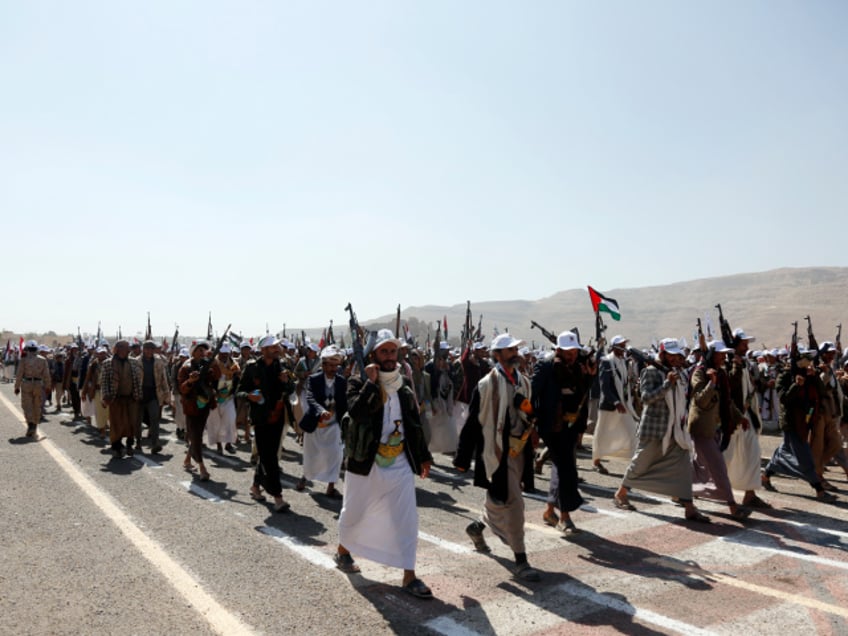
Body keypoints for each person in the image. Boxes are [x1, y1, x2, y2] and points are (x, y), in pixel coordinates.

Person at [335, 329, 434, 599]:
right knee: (355, 512)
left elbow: (413, 423)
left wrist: (423, 455)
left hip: (399, 461)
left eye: (393, 351)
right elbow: (357, 412)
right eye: (384, 351)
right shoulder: (357, 382)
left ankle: (409, 575)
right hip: (365, 461)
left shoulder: (403, 385)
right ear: (373, 355)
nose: (390, 356)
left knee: (406, 518)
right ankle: (344, 549)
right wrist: (370, 382)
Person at [455, 333, 541, 582]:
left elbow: (531, 412)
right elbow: (473, 422)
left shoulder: (524, 381)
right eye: (510, 350)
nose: (515, 353)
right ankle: (521, 559)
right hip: (496, 452)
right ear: (497, 355)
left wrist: (528, 412)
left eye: (516, 349)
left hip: (519, 449)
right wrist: (462, 458)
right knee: (514, 504)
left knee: (499, 498)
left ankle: (477, 527)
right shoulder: (486, 385)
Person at [613, 339, 710, 523]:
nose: (675, 358)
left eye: (677, 355)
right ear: (663, 354)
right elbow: (647, 398)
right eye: (671, 355)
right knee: (640, 464)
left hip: (676, 430)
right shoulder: (651, 372)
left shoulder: (679, 373)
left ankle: (689, 508)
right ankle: (621, 493)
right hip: (655, 430)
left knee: (683, 467)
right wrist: (666, 385)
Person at [531, 331, 594, 534]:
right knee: (566, 468)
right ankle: (565, 517)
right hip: (551, 425)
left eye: (575, 351)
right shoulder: (546, 366)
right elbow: (532, 395)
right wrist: (532, 425)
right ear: (558, 350)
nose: (572, 355)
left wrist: (590, 376)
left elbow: (582, 394)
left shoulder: (578, 368)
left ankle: (550, 511)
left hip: (570, 425)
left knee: (564, 466)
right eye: (568, 351)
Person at [762, 344, 838, 502]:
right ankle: (819, 490)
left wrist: (814, 376)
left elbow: (822, 393)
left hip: (806, 422)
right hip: (791, 423)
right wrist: (797, 385)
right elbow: (783, 398)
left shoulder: (810, 374)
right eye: (806, 359)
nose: (809, 361)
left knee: (783, 451)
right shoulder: (784, 375)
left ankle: (765, 475)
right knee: (805, 456)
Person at [688, 340, 752, 521]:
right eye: (720, 354)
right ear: (711, 354)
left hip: (715, 427)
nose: (724, 357)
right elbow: (701, 400)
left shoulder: (721, 373)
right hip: (702, 427)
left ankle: (683, 492)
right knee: (718, 467)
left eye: (725, 354)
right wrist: (712, 383)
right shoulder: (700, 373)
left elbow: (727, 400)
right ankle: (732, 506)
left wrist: (739, 417)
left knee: (700, 466)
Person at [236, 335, 295, 512]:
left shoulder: (282, 367)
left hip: (277, 417)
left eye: (277, 346)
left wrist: (287, 382)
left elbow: (291, 390)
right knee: (270, 458)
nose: (276, 349)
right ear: (263, 350)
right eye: (272, 347)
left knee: (267, 454)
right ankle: (278, 497)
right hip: (260, 418)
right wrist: (249, 396)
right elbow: (239, 391)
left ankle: (255, 487)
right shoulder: (252, 368)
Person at [726, 328, 772, 508]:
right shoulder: (728, 363)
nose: (746, 347)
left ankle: (749, 494)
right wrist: (735, 365)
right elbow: (730, 385)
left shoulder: (744, 363)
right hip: (733, 417)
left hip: (747, 417)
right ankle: (696, 488)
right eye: (743, 344)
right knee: (724, 457)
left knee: (752, 454)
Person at [296, 345, 347, 498]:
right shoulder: (314, 379)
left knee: (336, 455)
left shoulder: (341, 381)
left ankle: (331, 487)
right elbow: (310, 398)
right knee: (312, 455)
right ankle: (305, 478)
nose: (333, 368)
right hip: (316, 423)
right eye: (330, 365)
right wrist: (321, 411)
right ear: (323, 365)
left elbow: (344, 402)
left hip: (333, 425)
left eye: (335, 365)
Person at [592, 335, 638, 475]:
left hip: (624, 404)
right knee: (602, 434)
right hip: (609, 405)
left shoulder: (624, 362)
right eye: (621, 345)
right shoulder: (606, 362)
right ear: (614, 347)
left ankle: (636, 463)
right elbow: (604, 386)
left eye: (624, 345)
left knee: (632, 430)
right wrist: (616, 402)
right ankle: (596, 461)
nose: (624, 348)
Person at [177, 341, 221, 481]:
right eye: (200, 349)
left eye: (204, 350)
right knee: (196, 436)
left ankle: (187, 460)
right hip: (191, 406)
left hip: (204, 404)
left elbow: (217, 376)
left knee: (197, 434)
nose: (203, 352)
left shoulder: (206, 364)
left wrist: (214, 362)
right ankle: (202, 467)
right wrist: (190, 381)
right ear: (193, 351)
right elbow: (182, 389)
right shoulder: (186, 367)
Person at [100, 339, 143, 458]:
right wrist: (105, 398)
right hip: (115, 399)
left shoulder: (134, 362)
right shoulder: (108, 363)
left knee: (131, 423)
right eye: (125, 347)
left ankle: (130, 444)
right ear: (118, 349)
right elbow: (104, 382)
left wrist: (139, 395)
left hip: (131, 398)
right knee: (116, 424)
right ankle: (117, 445)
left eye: (128, 347)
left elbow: (138, 381)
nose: (128, 350)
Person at [206, 343, 240, 455]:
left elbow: (237, 380)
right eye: (222, 353)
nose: (224, 356)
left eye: (226, 353)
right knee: (216, 421)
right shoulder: (212, 364)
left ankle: (228, 444)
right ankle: (219, 445)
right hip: (215, 397)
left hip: (228, 397)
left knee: (230, 419)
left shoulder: (234, 365)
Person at [14, 340, 52, 438]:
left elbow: (19, 374)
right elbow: (47, 375)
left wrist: (17, 387)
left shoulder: (23, 360)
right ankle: (34, 426)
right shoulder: (43, 360)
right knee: (37, 405)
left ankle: (31, 425)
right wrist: (48, 387)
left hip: (26, 384)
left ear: (27, 348)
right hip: (38, 384)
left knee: (27, 405)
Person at [139, 340, 171, 454]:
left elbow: (163, 379)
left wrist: (167, 396)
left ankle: (155, 443)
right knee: (138, 421)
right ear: (143, 349)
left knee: (155, 419)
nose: (149, 351)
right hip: (139, 394)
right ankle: (137, 443)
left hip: (154, 394)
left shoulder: (159, 361)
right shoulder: (136, 361)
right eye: (147, 348)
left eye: (151, 349)